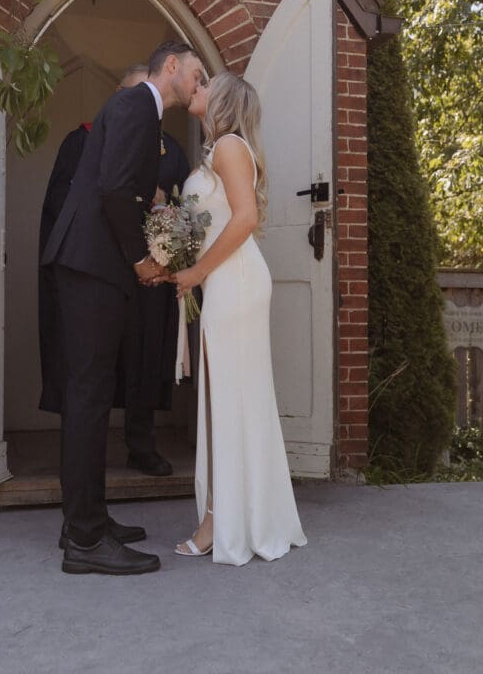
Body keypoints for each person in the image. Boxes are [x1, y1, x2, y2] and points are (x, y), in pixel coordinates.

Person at [42, 41, 204, 576]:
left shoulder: (136, 111)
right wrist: (141, 260)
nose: (198, 84)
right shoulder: (138, 103)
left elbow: (125, 192)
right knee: (87, 397)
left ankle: (84, 519)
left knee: (87, 393)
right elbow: (114, 192)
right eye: (196, 73)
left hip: (90, 265)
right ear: (172, 67)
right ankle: (86, 541)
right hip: (94, 267)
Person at [173, 72, 307, 566]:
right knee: (232, 400)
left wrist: (196, 272)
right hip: (225, 282)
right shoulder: (221, 150)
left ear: (222, 101)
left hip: (236, 282)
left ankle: (219, 523)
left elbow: (245, 218)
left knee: (228, 402)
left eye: (206, 83)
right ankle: (243, 514)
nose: (197, 88)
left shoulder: (229, 145)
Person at [37, 63, 190, 477]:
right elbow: (65, 203)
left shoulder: (171, 149)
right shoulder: (82, 141)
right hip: (100, 269)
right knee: (91, 377)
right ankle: (89, 467)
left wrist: (164, 218)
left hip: (146, 277)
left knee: (141, 362)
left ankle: (141, 444)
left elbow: (186, 210)